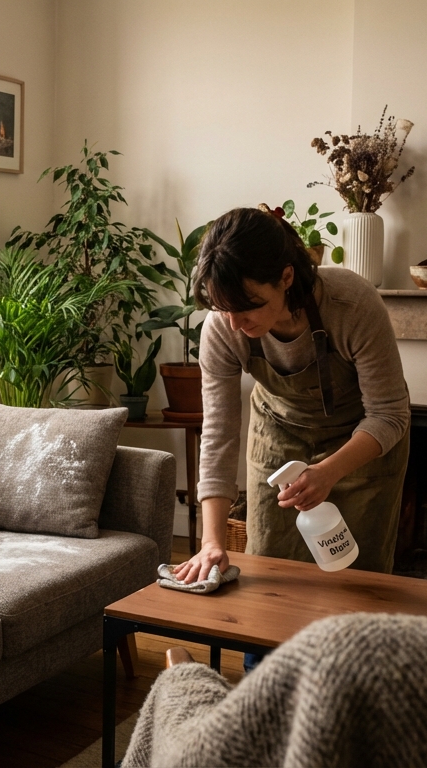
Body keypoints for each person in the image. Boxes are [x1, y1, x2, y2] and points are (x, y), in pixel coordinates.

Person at [174, 206, 411, 589]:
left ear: (286, 276)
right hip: (278, 436)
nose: (235, 323)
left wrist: (329, 471)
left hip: (360, 444)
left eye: (248, 306)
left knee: (357, 579)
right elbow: (218, 436)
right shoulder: (224, 329)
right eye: (224, 308)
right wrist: (212, 542)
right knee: (271, 573)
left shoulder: (353, 305)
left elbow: (389, 414)